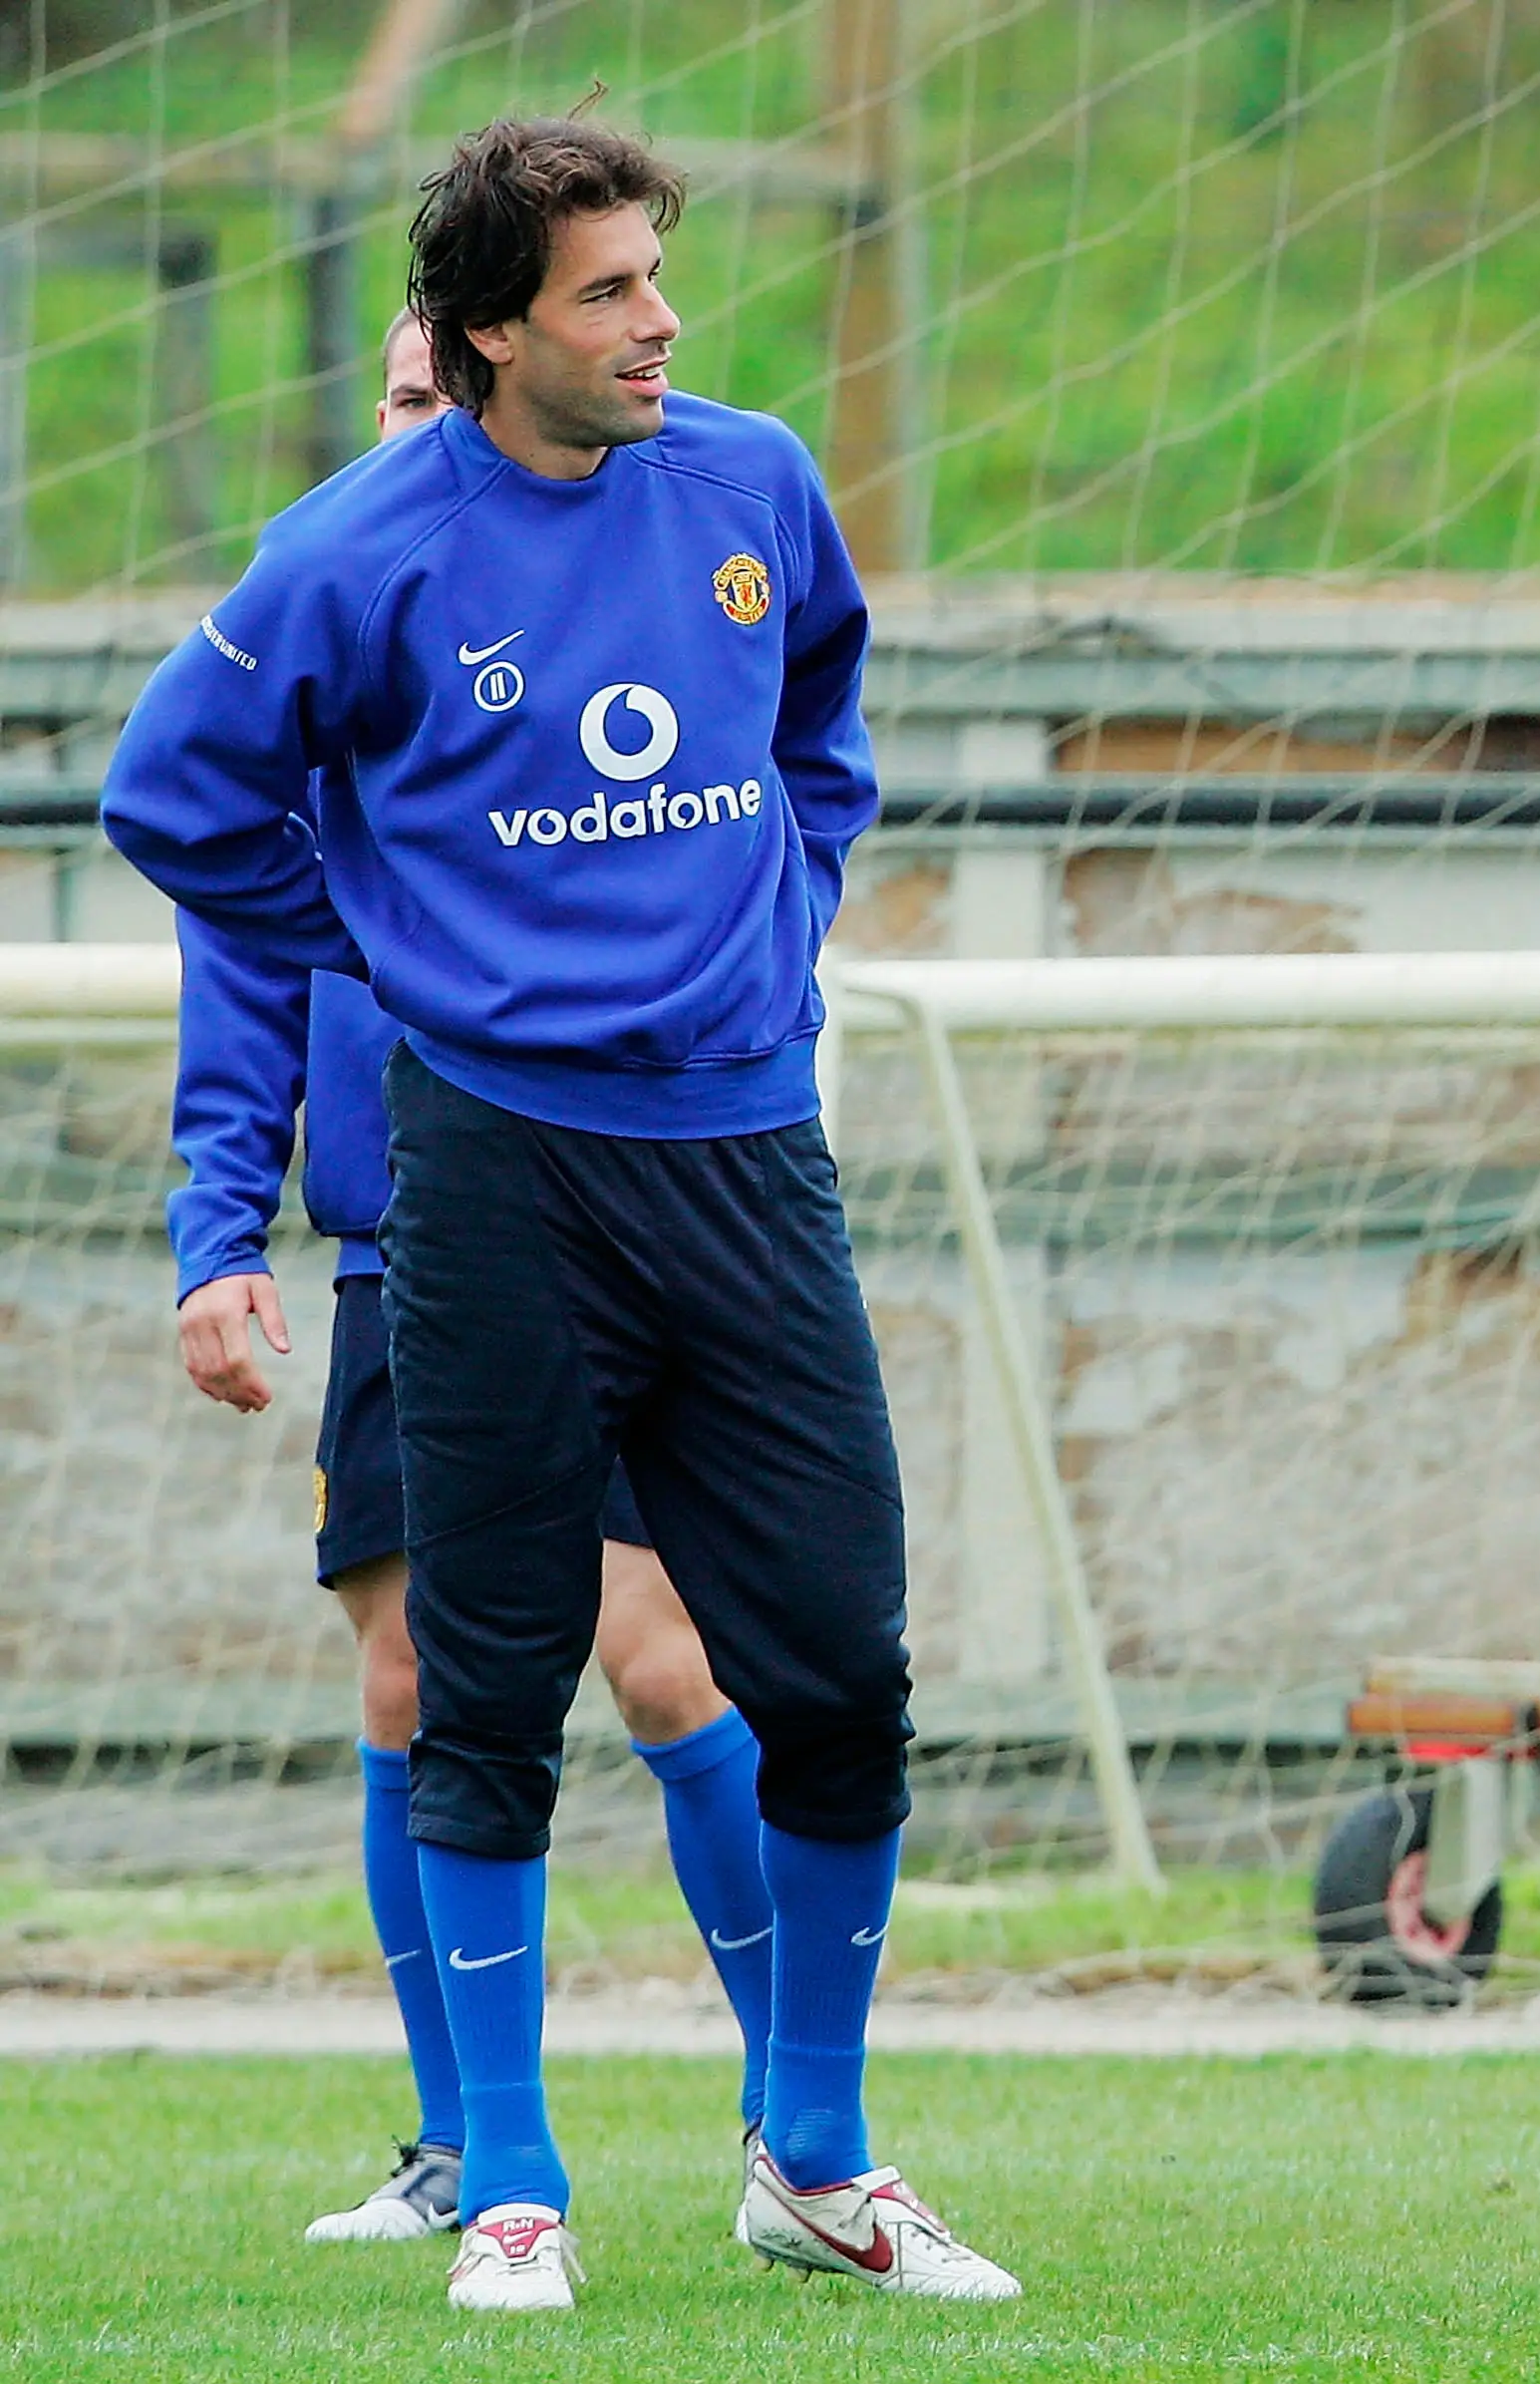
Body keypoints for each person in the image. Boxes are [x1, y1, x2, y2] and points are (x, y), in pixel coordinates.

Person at [104, 112, 1014, 2310]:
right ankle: (505, 2173)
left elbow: (822, 718)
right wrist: (396, 943)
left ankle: (814, 2153)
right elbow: (170, 793)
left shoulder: (756, 482)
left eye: (661, 279)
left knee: (845, 1672)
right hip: (489, 1171)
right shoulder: (361, 546)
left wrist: (779, 920)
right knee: (487, 1680)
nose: (661, 323)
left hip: (743, 1156)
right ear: (492, 327)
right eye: (610, 290)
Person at [167, 305, 781, 2246]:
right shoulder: (333, 616)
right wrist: (216, 1232)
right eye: (413, 399)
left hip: (622, 1207)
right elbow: (236, 957)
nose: (442, 435)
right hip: (410, 1241)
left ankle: (805, 2125)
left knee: (670, 1655)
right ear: (390, 410)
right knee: (413, 1673)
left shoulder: (646, 601)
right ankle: (458, 2151)